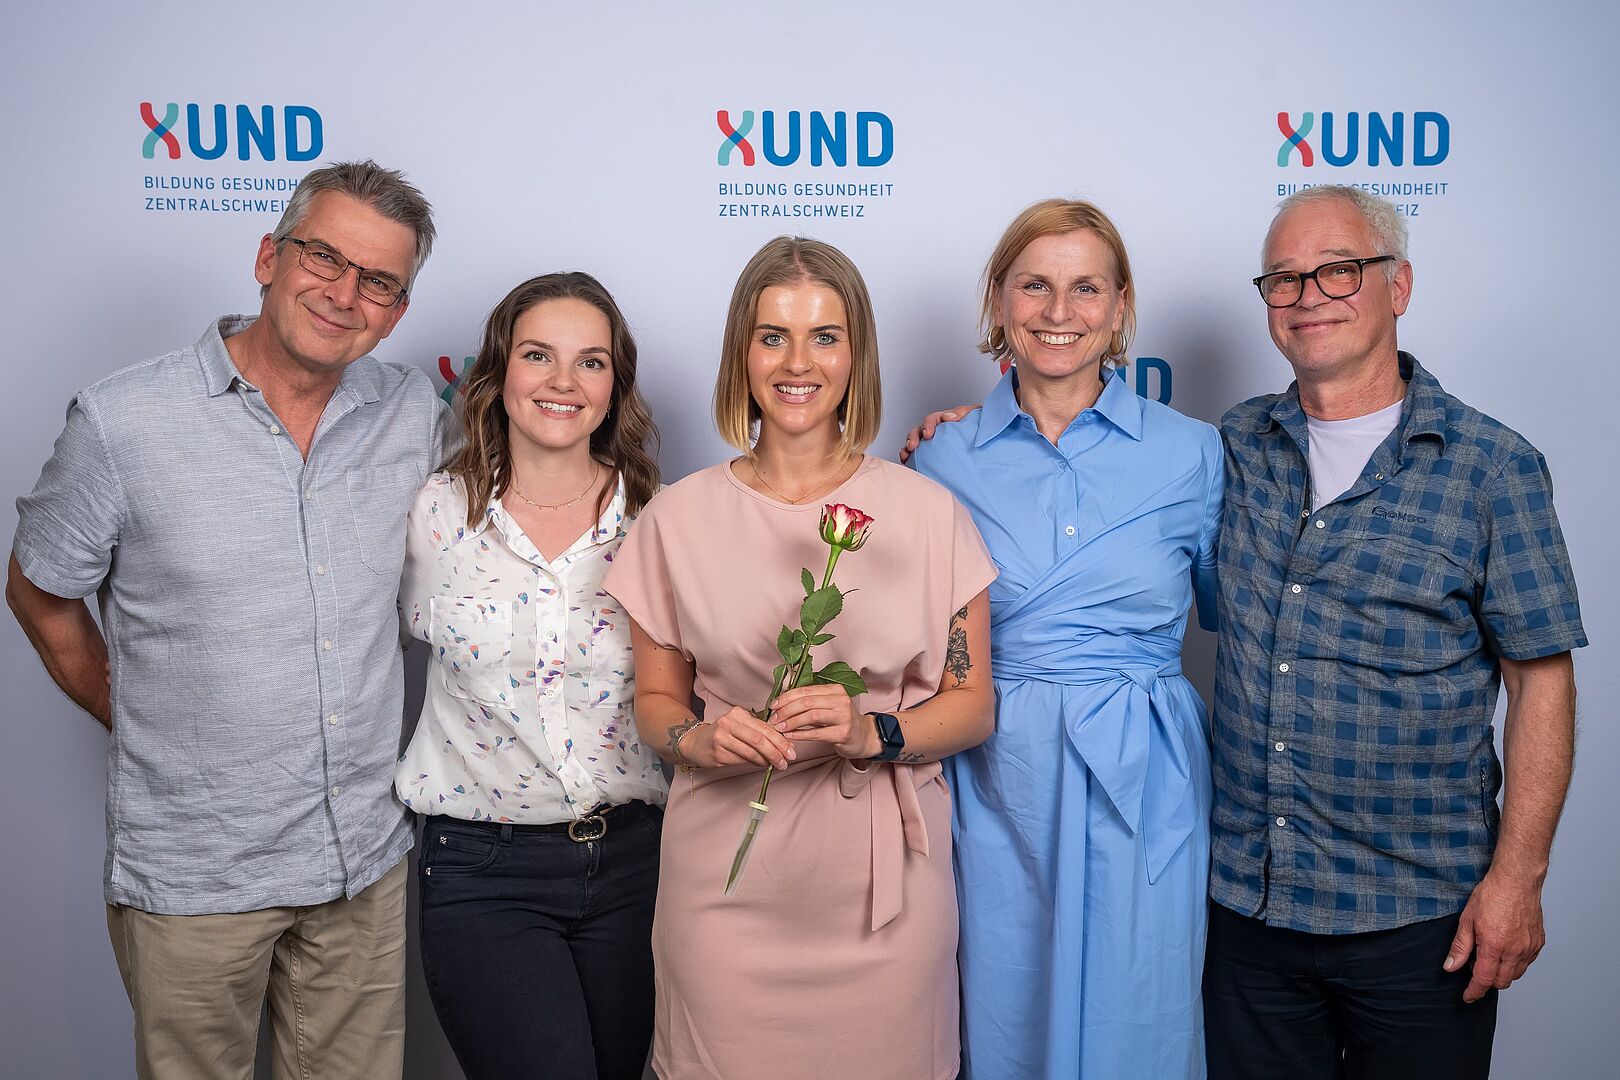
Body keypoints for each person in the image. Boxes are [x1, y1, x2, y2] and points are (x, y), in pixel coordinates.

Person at [7, 160, 447, 1080]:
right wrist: (136, 714)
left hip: (362, 863)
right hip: (197, 872)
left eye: (379, 281)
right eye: (324, 257)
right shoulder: (124, 422)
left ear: (398, 310)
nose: (344, 294)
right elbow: (39, 588)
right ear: (267, 257)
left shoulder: (410, 410)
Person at [1203, 185, 1585, 1079]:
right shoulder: (1232, 445)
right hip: (1249, 910)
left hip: (1420, 918)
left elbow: (1541, 682)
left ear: (1398, 285)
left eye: (1338, 271)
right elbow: (1109, 459)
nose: (1308, 297)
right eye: (1284, 279)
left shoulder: (1492, 468)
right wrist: (968, 430)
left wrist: (1518, 879)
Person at [603, 236, 998, 1079]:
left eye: (824, 336)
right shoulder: (675, 519)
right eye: (772, 335)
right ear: (740, 353)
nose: (797, 363)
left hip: (886, 899)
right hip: (724, 891)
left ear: (857, 355)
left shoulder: (932, 514)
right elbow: (657, 705)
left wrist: (871, 732)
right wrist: (699, 741)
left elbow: (973, 705)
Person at [908, 199, 1222, 1079]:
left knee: (1140, 1018)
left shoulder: (1196, 454)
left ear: (1120, 307)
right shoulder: (938, 459)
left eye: (1086, 288)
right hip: (995, 774)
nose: (1059, 311)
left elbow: (1231, 621)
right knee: (1003, 1013)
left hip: (1146, 778)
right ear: (998, 301)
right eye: (1034, 285)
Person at [396, 272, 665, 1080]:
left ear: (615, 385)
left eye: (591, 361)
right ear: (498, 370)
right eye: (538, 355)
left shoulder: (660, 519)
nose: (563, 381)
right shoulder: (430, 513)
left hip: (639, 868)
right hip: (484, 873)